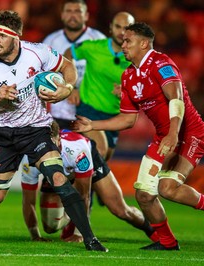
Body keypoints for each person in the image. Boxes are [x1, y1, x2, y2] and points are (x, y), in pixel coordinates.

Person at [0, 10, 107, 252]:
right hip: (4, 133)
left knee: (59, 178)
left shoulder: (38, 52)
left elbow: (68, 66)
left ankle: (91, 238)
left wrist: (66, 88)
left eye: (1, 35)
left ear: (16, 36)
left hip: (37, 129)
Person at [71, 22, 204, 250]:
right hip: (164, 137)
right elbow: (128, 119)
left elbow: (176, 99)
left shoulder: (162, 63)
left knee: (167, 189)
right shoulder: (129, 77)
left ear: (144, 43)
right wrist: (93, 124)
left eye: (128, 41)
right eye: (123, 41)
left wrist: (173, 134)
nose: (123, 45)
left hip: (189, 133)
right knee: (143, 194)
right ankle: (168, 242)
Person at [21, 121, 158, 243]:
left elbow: (84, 195)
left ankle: (153, 230)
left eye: (51, 145)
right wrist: (35, 236)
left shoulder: (77, 149)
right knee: (51, 227)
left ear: (59, 140)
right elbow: (28, 201)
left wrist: (79, 233)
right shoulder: (31, 159)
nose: (48, 151)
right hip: (60, 174)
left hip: (88, 159)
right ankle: (73, 213)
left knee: (120, 210)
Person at [63, 12, 135, 161]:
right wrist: (71, 85)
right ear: (110, 28)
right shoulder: (93, 47)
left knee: (103, 163)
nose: (121, 32)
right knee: (99, 151)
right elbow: (67, 54)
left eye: (126, 28)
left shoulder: (136, 58)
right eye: (117, 26)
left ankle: (67, 181)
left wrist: (127, 92)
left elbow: (144, 91)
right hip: (89, 109)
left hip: (115, 117)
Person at [42, 0, 106, 128]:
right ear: (62, 15)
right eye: (69, 11)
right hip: (58, 114)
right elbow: (42, 76)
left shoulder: (99, 40)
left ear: (86, 16)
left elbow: (106, 76)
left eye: (77, 11)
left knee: (98, 148)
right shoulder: (50, 41)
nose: (73, 15)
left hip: (91, 113)